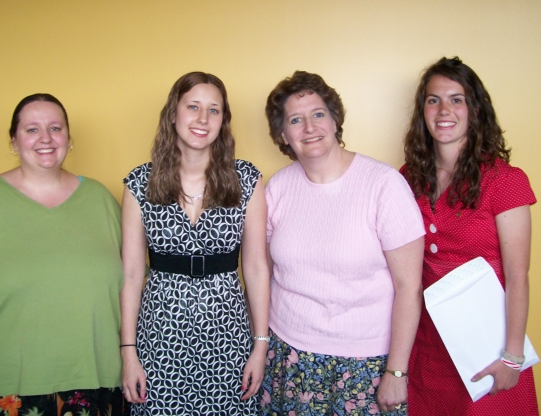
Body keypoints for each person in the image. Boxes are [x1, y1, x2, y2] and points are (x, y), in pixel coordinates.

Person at [259, 71, 425, 415]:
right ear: (282, 134)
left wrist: (396, 371)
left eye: (318, 114)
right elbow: (264, 271)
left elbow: (409, 286)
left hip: (364, 364)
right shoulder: (277, 188)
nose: (309, 127)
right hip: (288, 356)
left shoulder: (383, 185)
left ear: (335, 120)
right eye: (295, 119)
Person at [120, 72, 270, 415]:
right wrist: (129, 353)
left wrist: (259, 348)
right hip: (159, 337)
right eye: (193, 107)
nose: (203, 119)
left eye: (214, 110)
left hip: (227, 334)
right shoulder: (140, 183)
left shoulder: (246, 179)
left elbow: (257, 268)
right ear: (173, 113)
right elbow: (130, 275)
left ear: (223, 121)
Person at [0, 94, 124, 415]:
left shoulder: (100, 199)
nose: (46, 139)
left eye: (55, 128)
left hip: (93, 381)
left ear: (68, 137)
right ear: (14, 139)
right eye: (32, 129)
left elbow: (132, 284)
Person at [401, 57, 539, 415]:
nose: (444, 110)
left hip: (487, 347)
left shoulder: (505, 181)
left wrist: (512, 357)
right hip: (427, 347)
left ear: (474, 109)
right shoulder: (408, 177)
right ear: (422, 111)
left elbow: (517, 275)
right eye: (433, 100)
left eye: (456, 99)